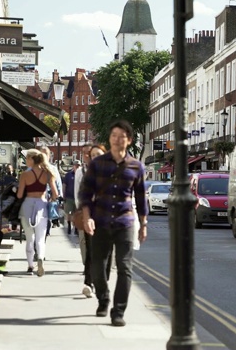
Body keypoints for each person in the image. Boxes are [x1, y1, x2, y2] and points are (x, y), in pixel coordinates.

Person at [79, 120, 148, 327]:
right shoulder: (97, 164)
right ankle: (103, 297)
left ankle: (118, 312)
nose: (118, 139)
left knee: (125, 267)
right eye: (114, 135)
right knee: (98, 266)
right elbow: (85, 193)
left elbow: (141, 198)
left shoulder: (137, 166)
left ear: (129, 140)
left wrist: (143, 224)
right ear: (109, 139)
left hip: (125, 221)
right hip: (99, 220)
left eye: (122, 136)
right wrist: (86, 217)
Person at [17, 149, 59, 277]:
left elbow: (19, 194)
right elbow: (56, 194)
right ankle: (40, 257)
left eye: (27, 158)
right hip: (42, 205)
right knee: (40, 238)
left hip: (27, 205)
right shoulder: (47, 173)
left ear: (32, 159)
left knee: (29, 238)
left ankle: (30, 265)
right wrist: (50, 200)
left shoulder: (25, 174)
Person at [75, 144, 107, 298]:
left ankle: (102, 282)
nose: (95, 158)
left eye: (98, 155)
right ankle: (88, 283)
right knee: (90, 251)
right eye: (92, 155)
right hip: (90, 216)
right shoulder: (85, 173)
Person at [39, 146, 62, 235]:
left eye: (46, 154)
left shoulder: (53, 168)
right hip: (38, 197)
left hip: (49, 196)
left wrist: (58, 196)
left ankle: (46, 232)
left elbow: (58, 183)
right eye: (42, 154)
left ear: (49, 156)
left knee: (47, 216)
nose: (44, 156)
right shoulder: (36, 168)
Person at [63, 160, 82, 235]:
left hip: (78, 197)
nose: (77, 167)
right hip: (69, 197)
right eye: (75, 165)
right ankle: (69, 226)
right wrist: (63, 195)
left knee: (76, 213)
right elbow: (64, 185)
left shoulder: (81, 174)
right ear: (73, 166)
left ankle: (76, 228)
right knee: (68, 212)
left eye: (78, 165)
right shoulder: (68, 175)